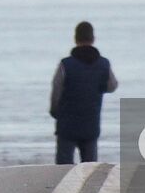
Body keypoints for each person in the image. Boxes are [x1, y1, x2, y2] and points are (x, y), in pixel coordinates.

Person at [49, 21, 118, 165]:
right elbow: (112, 86)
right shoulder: (103, 64)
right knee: (89, 168)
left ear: (75, 39)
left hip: (67, 126)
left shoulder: (65, 65)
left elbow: (56, 90)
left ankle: (64, 187)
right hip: (90, 124)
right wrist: (98, 87)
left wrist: (55, 111)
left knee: (63, 168)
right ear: (93, 39)